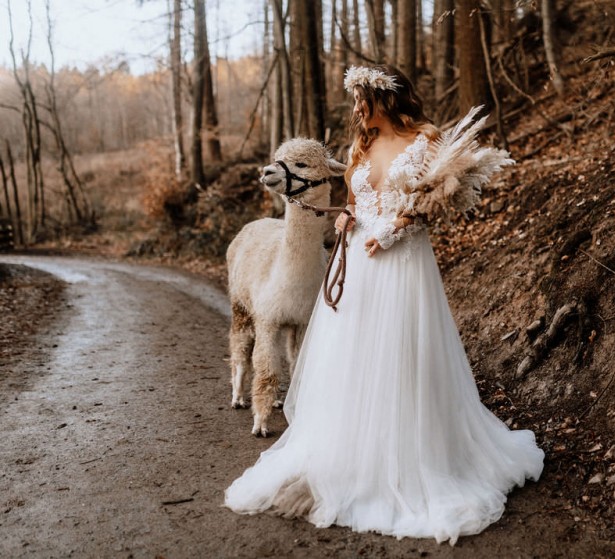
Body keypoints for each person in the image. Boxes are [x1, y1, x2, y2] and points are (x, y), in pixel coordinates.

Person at [224, 65, 544, 545]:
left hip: (401, 265)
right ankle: (353, 451)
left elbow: (433, 202)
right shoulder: (362, 144)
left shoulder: (426, 139)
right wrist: (347, 218)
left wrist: (394, 230)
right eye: (355, 101)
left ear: (385, 99)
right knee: (353, 358)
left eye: (362, 100)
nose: (356, 110)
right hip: (358, 261)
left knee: (399, 354)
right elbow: (358, 198)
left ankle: (410, 455)